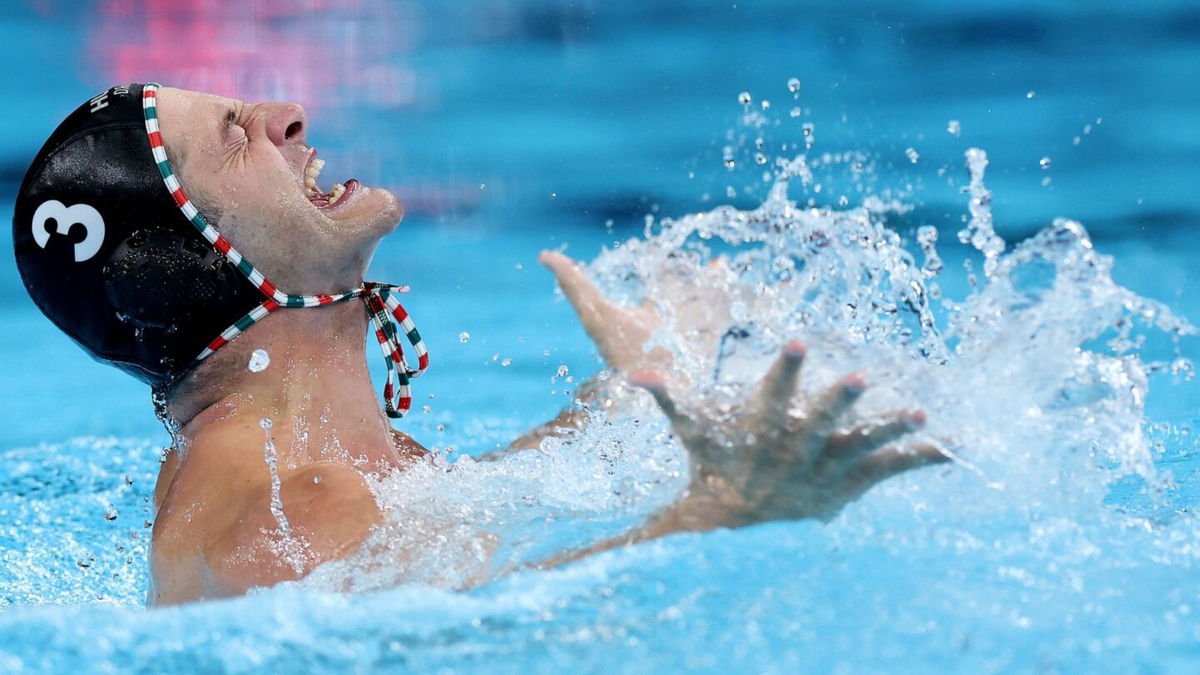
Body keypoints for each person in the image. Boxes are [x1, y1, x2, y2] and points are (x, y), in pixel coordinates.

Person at [13, 84, 947, 605]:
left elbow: (469, 521)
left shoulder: (317, 461)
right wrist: (727, 513)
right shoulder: (276, 515)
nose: (285, 115)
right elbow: (500, 634)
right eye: (234, 138)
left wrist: (626, 394)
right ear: (183, 270)